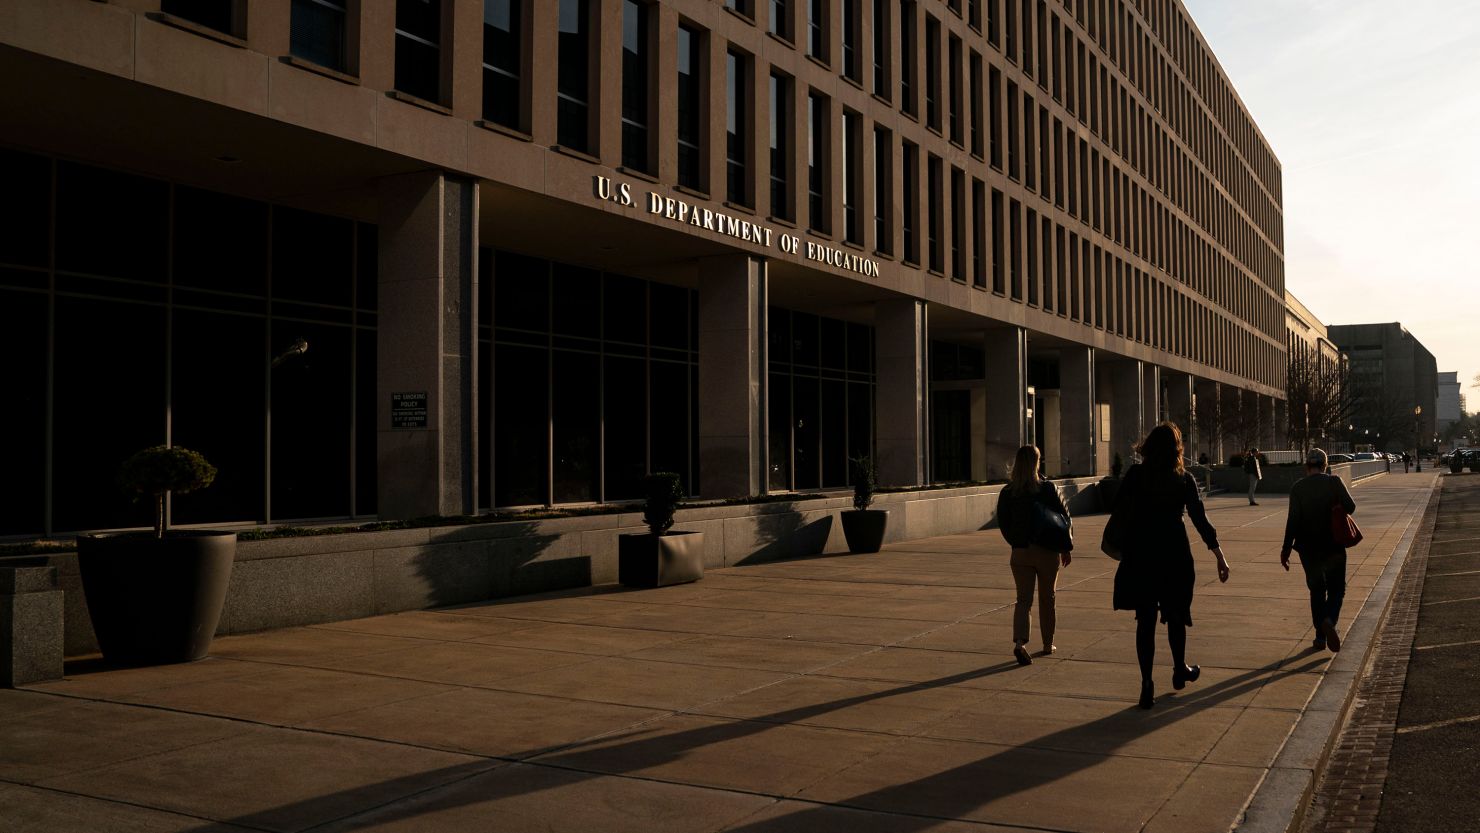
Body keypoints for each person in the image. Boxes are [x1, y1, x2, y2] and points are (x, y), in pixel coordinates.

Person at [1107, 423, 1230, 709]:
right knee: (1176, 616)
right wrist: (1219, 555)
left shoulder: (1136, 475)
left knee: (1145, 620)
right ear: (1177, 449)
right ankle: (1179, 669)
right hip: (1174, 554)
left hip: (1142, 553)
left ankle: (1147, 683)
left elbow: (1119, 509)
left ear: (1148, 447)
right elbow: (1199, 518)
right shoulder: (1183, 479)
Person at [996, 445, 1073, 666]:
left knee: (1023, 600)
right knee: (1047, 598)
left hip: (1020, 552)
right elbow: (1063, 519)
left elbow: (1004, 524)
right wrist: (1065, 548)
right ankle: (1048, 643)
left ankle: (1020, 643)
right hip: (1047, 551)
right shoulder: (1047, 489)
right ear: (1036, 463)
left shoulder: (1008, 492)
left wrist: (1016, 542)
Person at [1280, 448, 1357, 652]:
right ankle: (1329, 620)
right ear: (1325, 465)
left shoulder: (1298, 488)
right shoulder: (1334, 482)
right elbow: (1351, 507)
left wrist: (1286, 549)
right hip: (1334, 545)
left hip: (1308, 547)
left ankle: (1320, 636)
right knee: (1337, 589)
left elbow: (1293, 520)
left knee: (1316, 589)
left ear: (1307, 466)